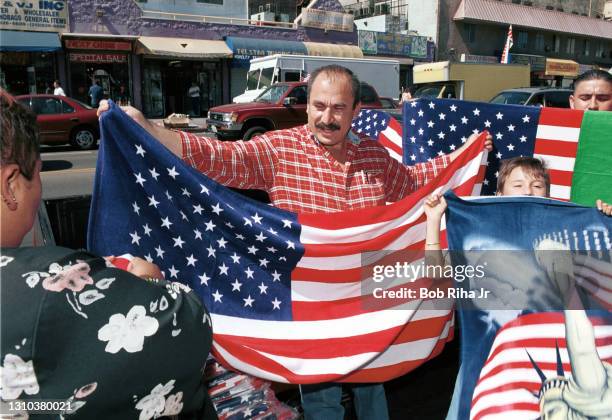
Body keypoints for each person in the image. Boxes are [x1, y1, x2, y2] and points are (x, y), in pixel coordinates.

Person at [98, 64, 492, 420]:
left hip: (366, 294)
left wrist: (468, 155)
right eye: (319, 106)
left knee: (373, 386)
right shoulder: (280, 149)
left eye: (338, 108)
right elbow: (217, 157)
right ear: (306, 108)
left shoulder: (375, 155)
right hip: (310, 300)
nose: (327, 117)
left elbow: (414, 183)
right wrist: (146, 129)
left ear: (355, 111)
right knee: (321, 398)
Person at [0, 90, 217, 419]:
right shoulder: (43, 291)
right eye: (39, 172)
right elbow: (188, 325)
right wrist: (145, 277)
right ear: (11, 184)